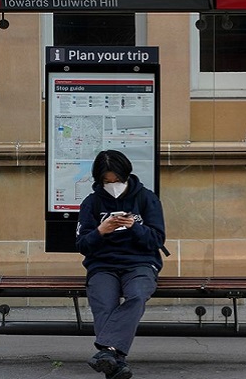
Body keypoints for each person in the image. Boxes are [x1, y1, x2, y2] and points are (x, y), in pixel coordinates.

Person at [76, 150, 167, 379]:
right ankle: (114, 363)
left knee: (137, 295)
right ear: (100, 180)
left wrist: (133, 227)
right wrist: (100, 231)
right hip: (102, 265)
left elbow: (157, 239)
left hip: (140, 264)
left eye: (116, 180)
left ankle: (107, 353)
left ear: (125, 175)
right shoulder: (91, 203)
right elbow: (83, 244)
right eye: (107, 181)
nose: (113, 185)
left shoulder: (146, 198)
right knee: (104, 304)